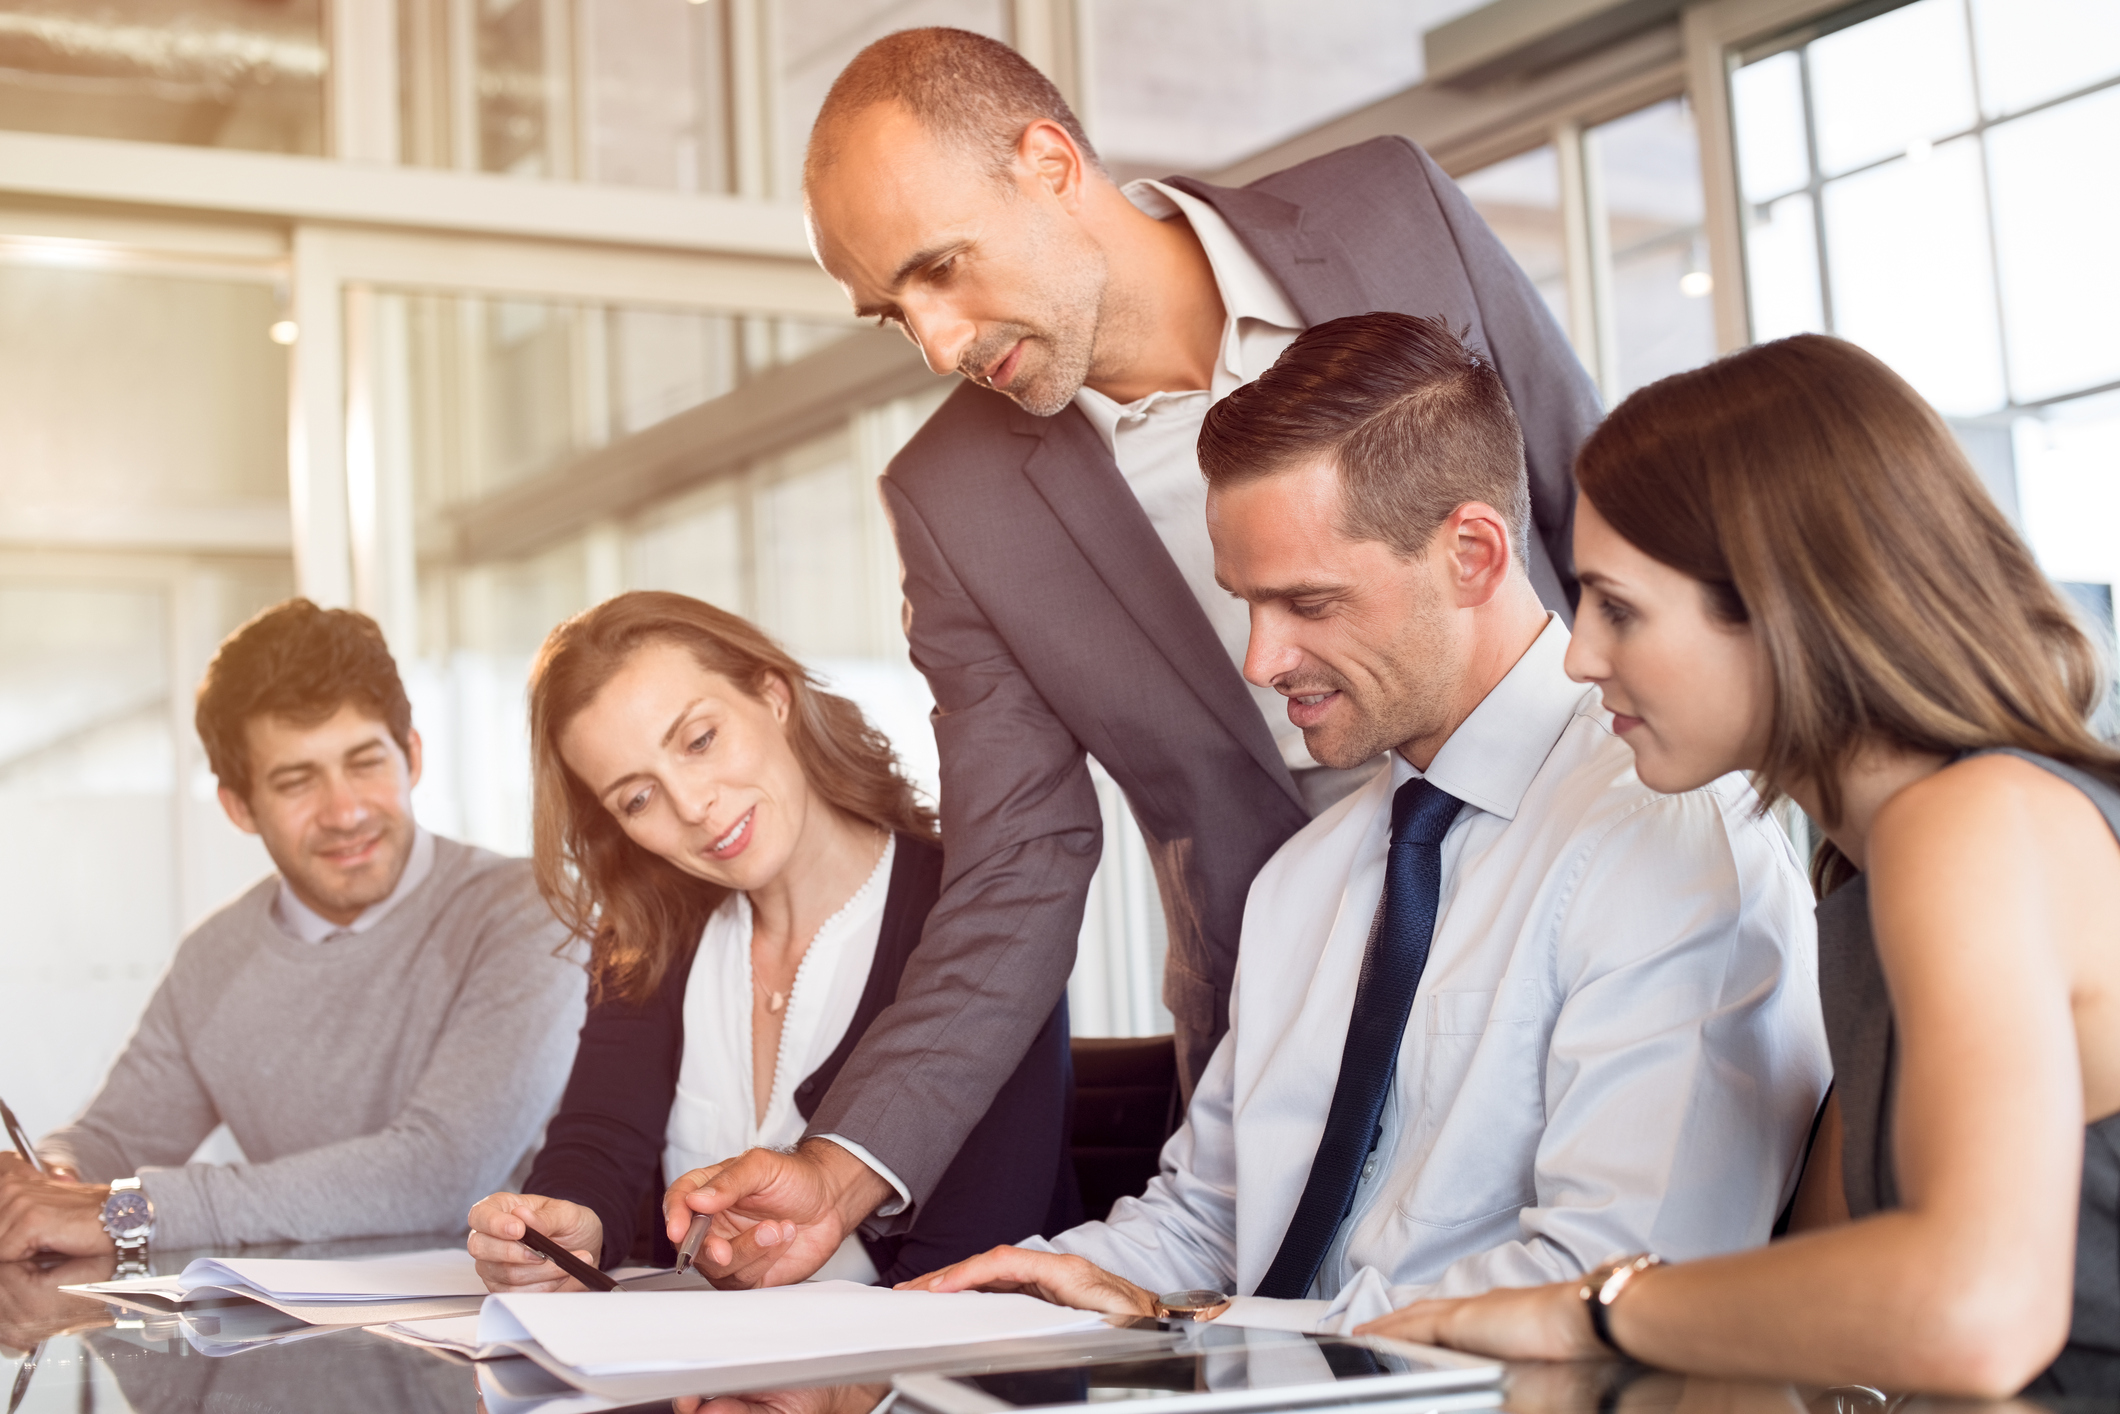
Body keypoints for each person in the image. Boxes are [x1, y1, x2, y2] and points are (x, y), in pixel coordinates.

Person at [671, 24, 1605, 1289]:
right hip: (1290, 1009)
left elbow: (1595, 512)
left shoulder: (1389, 211)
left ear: (1050, 162)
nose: (937, 342)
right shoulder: (954, 498)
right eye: (894, 311)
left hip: (1585, 880)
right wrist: (841, 1167)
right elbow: (1017, 863)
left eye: (939, 269)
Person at [900, 313, 1828, 1318]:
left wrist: (1215, 1327)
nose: (1259, 661)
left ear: (1471, 554)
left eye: (1307, 602)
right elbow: (1211, 1221)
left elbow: (1613, 1287)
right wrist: (1008, 1299)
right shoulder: (1304, 878)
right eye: (1245, 603)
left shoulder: (1667, 840)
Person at [1356, 335, 2120, 1398]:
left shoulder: (1971, 826)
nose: (1579, 656)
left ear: (1785, 605)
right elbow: (1831, 1286)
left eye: (1617, 606)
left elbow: (1973, 1308)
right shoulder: (1869, 868)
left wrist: (1582, 1307)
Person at [465, 593, 1076, 1290]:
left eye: (699, 740)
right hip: (710, 1386)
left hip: (929, 1387)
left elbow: (975, 1249)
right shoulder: (652, 930)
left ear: (773, 694)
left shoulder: (983, 911)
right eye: (638, 797)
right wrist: (564, 1229)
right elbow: (598, 1138)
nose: (693, 806)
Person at [0, 599, 585, 1261]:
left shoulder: (531, 910)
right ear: (238, 806)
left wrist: (129, 1212)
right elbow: (115, 1139)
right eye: (297, 781)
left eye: (365, 763)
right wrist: (43, 1176)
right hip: (299, 1348)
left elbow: (441, 1172)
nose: (344, 812)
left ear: (412, 757)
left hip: (500, 1337)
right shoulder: (214, 959)